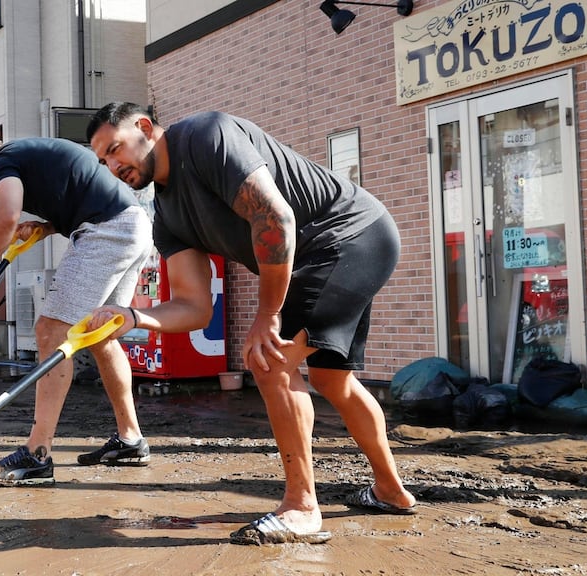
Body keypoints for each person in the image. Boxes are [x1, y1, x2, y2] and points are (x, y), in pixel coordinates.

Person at [85, 102, 417, 545]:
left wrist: (267, 315)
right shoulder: (167, 218)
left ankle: (301, 507)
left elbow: (274, 218)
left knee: (269, 359)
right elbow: (193, 305)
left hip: (350, 235)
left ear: (144, 128)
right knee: (331, 378)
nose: (111, 165)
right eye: (102, 160)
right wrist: (133, 317)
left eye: (114, 149)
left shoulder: (206, 137)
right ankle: (390, 490)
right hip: (325, 253)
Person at [0, 125, 153, 486]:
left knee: (50, 330)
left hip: (107, 230)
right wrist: (49, 227)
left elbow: (5, 216)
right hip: (132, 224)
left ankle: (37, 455)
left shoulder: (3, 161)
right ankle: (130, 439)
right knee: (102, 335)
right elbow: (77, 193)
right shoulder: (24, 156)